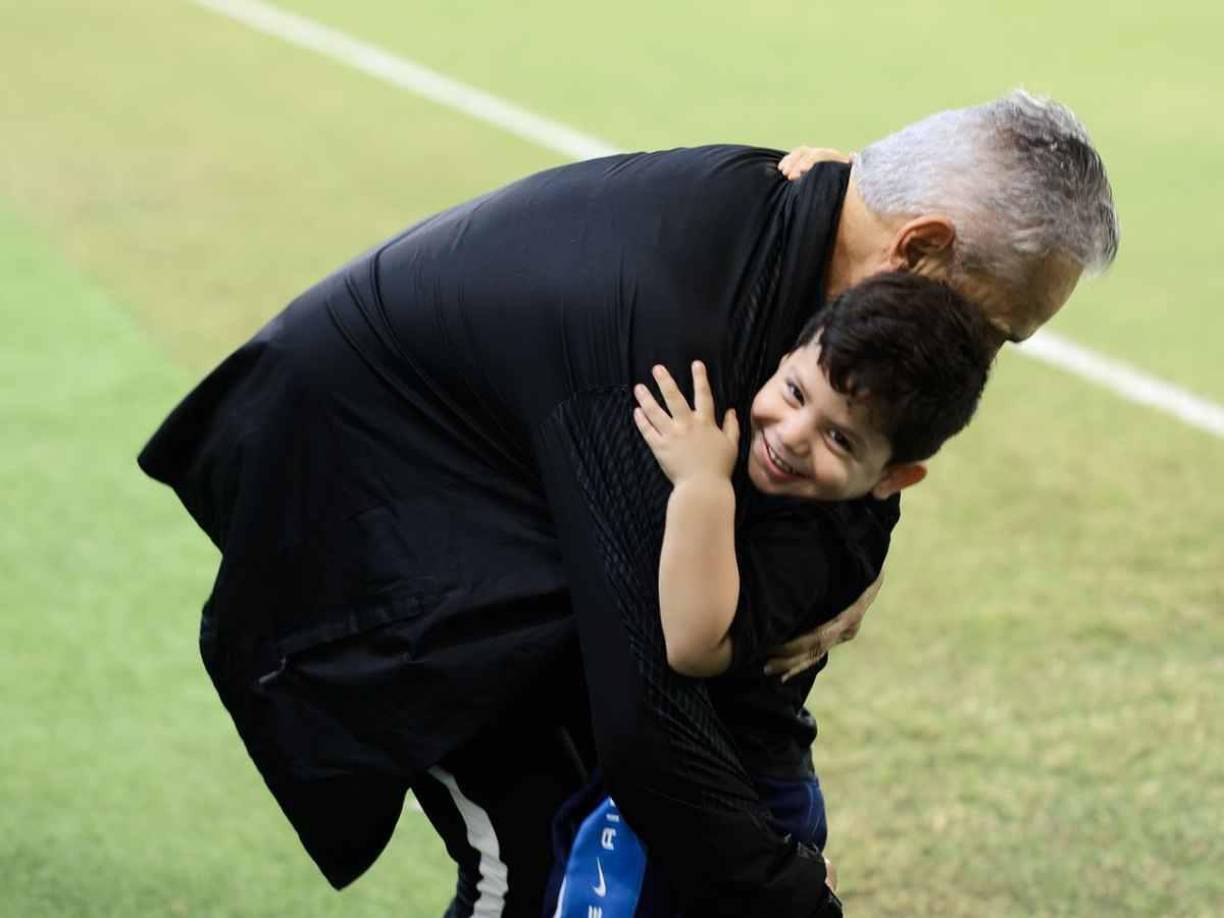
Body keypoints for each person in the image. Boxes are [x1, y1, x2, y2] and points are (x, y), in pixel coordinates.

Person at [138, 90, 1117, 917]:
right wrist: (786, 895)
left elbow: (877, 434)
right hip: (370, 508)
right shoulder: (665, 333)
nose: (979, 362)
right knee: (535, 852)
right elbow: (648, 705)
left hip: (522, 486)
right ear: (920, 249)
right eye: (994, 331)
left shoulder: (830, 232)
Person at [547, 271, 996, 917]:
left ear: (895, 477)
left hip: (725, 793)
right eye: (794, 392)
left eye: (839, 438)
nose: (791, 434)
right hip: (754, 782)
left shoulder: (816, 547)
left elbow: (695, 644)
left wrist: (702, 482)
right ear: (786, 355)